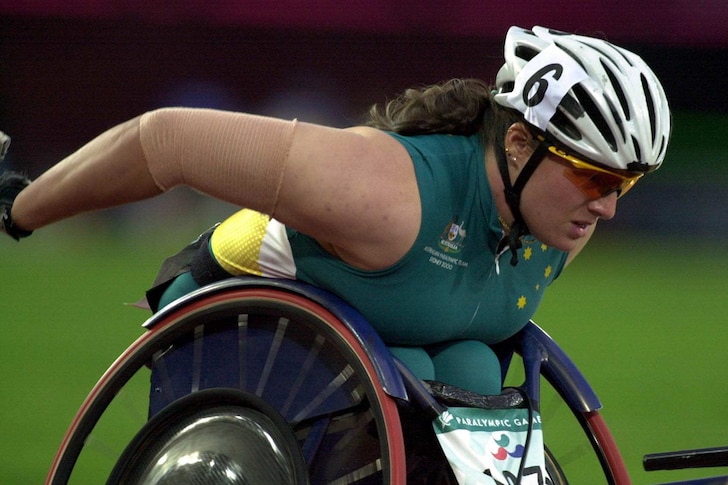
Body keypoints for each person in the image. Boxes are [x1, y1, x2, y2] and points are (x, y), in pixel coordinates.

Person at [0, 26, 670, 395]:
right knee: (421, 380)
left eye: (627, 184)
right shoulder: (382, 191)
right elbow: (165, 140)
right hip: (237, 318)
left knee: (462, 372)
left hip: (380, 346)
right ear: (519, 143)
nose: (608, 207)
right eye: (592, 176)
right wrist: (20, 206)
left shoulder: (558, 221)